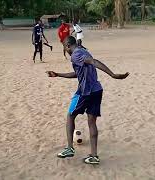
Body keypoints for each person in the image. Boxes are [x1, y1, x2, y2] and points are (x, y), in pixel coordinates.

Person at [46, 36, 129, 164]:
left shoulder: (76, 54)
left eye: (64, 47)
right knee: (91, 122)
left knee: (70, 116)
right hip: (97, 90)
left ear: (68, 45)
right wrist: (58, 74)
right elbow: (78, 73)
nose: (65, 50)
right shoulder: (84, 51)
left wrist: (112, 74)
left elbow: (93, 62)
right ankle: (94, 156)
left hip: (85, 92)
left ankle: (69, 148)